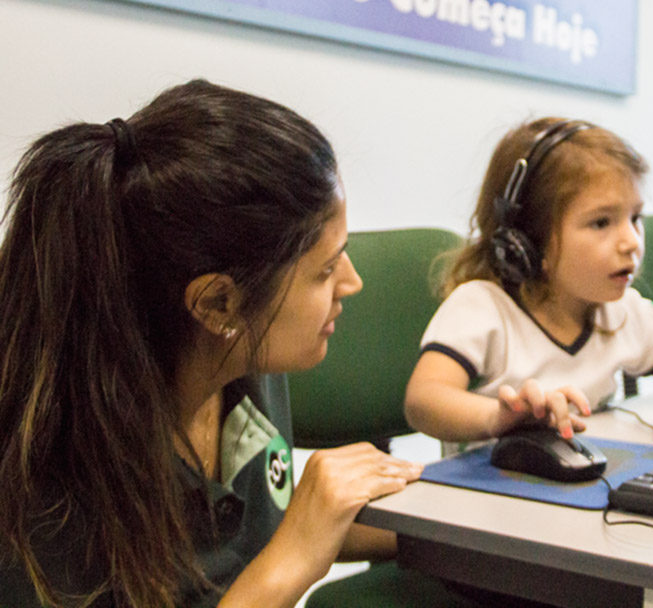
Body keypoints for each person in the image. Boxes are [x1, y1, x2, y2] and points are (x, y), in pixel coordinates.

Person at [0, 80, 424, 607]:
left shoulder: (243, 360)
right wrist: (285, 566)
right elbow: (282, 548)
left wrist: (475, 517)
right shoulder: (48, 483)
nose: (352, 282)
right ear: (217, 304)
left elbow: (258, 518)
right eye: (325, 270)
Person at [404, 117, 653, 447]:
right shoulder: (483, 307)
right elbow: (424, 400)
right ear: (528, 241)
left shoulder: (623, 312)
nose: (632, 241)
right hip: (493, 489)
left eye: (635, 218)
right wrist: (496, 418)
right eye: (601, 222)